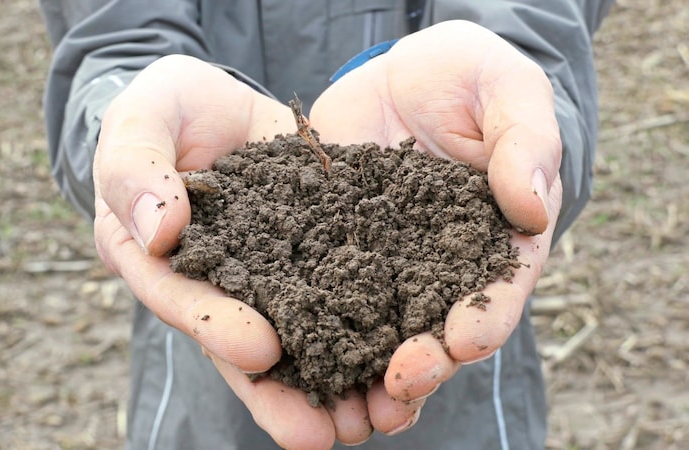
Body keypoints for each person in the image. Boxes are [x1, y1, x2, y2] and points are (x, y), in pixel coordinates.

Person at [39, 1, 614, 448]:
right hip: (203, 370)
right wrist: (122, 114)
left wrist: (517, 93)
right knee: (241, 361)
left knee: (449, 360)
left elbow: (537, 30)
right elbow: (113, 38)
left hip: (462, 378)